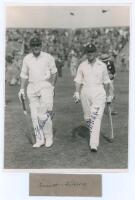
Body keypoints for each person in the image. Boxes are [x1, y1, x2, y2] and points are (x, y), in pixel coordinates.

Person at [18, 37, 57, 148]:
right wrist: (21, 89)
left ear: (41, 45)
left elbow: (54, 73)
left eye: (38, 45)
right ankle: (40, 139)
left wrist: (52, 87)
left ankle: (48, 137)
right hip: (32, 87)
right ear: (31, 47)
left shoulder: (48, 57)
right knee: (34, 115)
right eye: (34, 45)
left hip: (45, 86)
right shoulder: (27, 59)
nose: (36, 47)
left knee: (44, 114)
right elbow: (23, 75)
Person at [73, 44, 112, 152]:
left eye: (92, 52)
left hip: (99, 92)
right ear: (86, 53)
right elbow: (78, 80)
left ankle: (93, 144)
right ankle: (93, 131)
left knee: (95, 117)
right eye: (88, 52)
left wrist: (108, 95)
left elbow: (107, 81)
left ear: (95, 53)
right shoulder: (82, 65)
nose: (90, 54)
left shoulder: (102, 65)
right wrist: (76, 92)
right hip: (85, 92)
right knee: (88, 118)